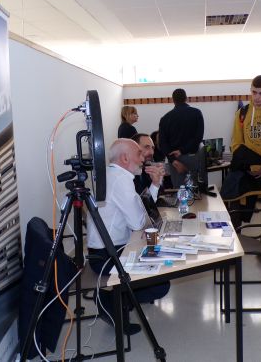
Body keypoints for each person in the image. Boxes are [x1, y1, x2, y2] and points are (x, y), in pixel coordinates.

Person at [86, 139, 170, 335]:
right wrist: (147, 210)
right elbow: (138, 223)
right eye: (139, 154)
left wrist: (155, 184)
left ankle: (118, 299)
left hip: (109, 249)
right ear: (125, 158)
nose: (143, 159)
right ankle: (112, 299)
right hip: (107, 257)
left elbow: (139, 210)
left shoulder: (113, 175)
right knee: (160, 285)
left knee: (156, 254)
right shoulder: (120, 180)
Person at [159, 88, 205, 187]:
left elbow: (162, 144)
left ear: (173, 100)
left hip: (175, 160)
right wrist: (182, 150)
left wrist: (173, 160)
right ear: (186, 98)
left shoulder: (165, 118)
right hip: (193, 157)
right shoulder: (196, 113)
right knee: (194, 191)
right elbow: (198, 137)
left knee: (179, 191)